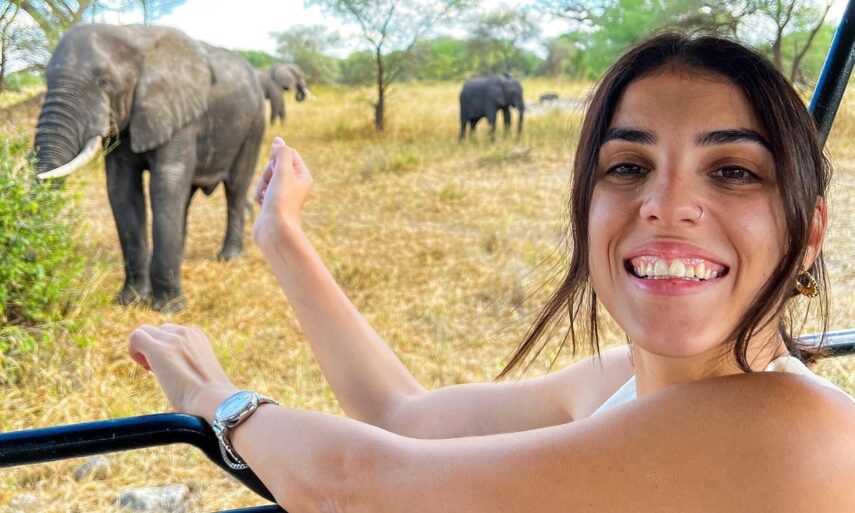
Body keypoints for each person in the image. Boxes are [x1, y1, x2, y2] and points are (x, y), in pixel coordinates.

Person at [128, 33, 855, 512]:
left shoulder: (802, 431)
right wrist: (281, 236)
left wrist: (212, 398)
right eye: (628, 167)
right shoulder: (616, 383)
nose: (666, 205)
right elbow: (399, 416)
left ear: (808, 232)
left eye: (733, 171)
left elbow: (354, 488)